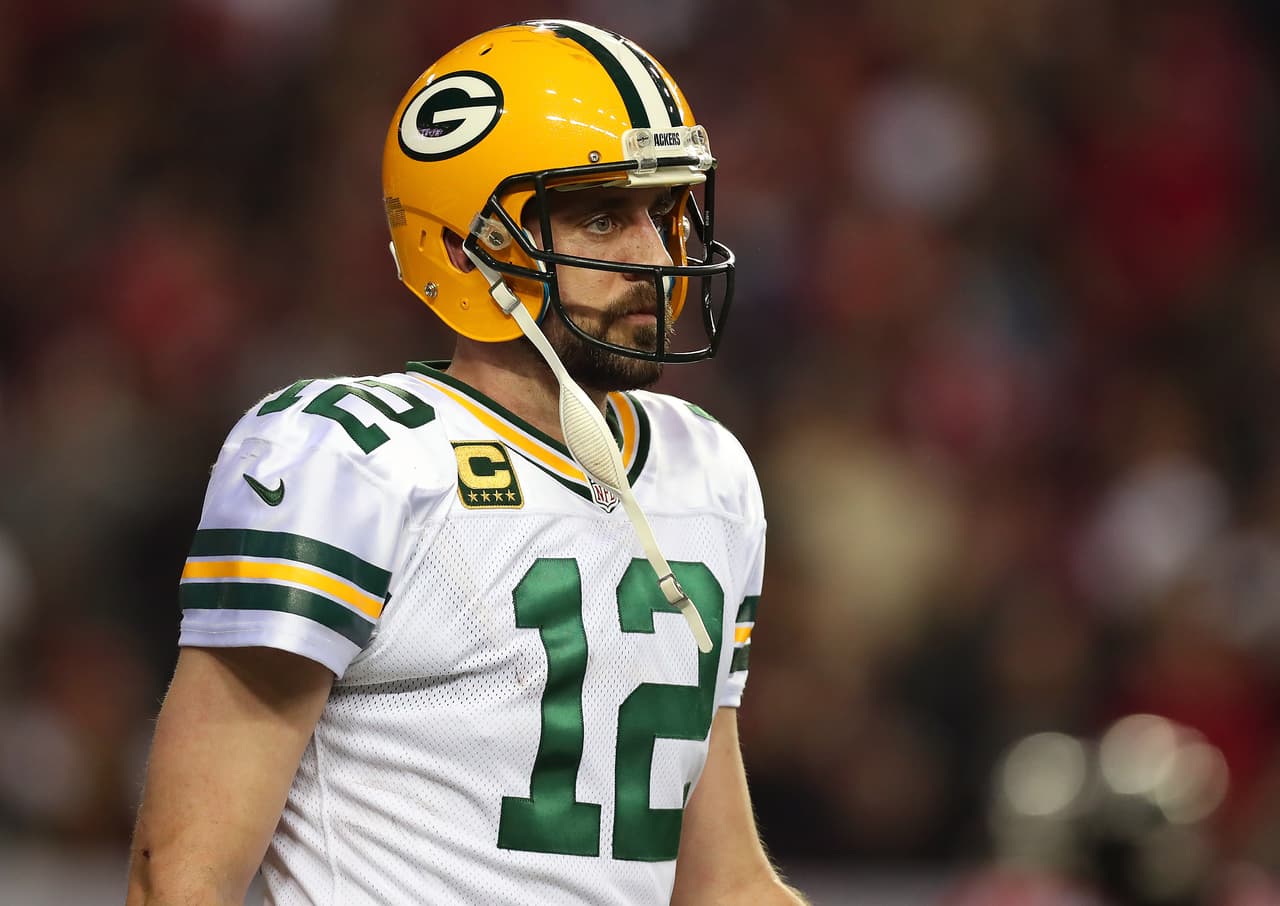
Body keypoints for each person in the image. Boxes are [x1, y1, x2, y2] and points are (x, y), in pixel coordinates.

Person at [127, 18, 805, 906]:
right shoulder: (350, 459)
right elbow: (179, 875)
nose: (654, 257)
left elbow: (723, 882)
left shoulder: (705, 469)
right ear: (462, 246)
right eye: (603, 217)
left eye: (663, 212)